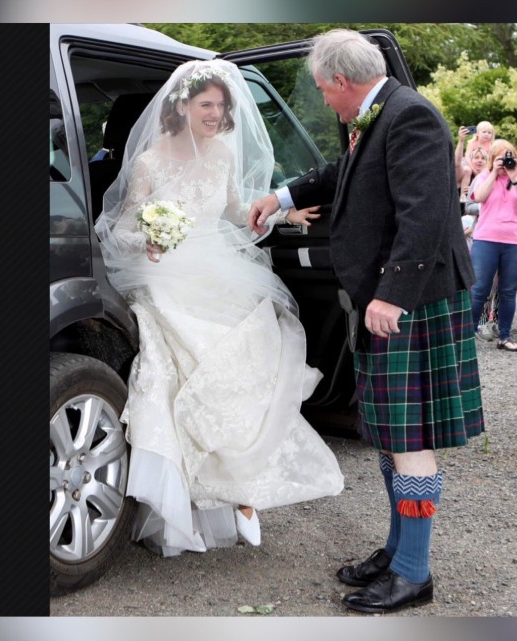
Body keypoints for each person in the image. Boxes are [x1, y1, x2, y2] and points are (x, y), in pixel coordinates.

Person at [249, 29, 485, 614]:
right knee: (386, 433)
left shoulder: (412, 117)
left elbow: (426, 216)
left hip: (415, 301)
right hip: (390, 298)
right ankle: (399, 548)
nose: (325, 101)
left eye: (324, 92)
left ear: (343, 82)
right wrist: (280, 197)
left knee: (410, 438)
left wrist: (394, 295)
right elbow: (343, 174)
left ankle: (413, 572)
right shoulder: (373, 116)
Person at [93, 59, 342, 557]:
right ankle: (198, 495)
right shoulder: (148, 162)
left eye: (221, 105)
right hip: (164, 273)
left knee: (251, 361)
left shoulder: (224, 154)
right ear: (181, 105)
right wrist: (150, 239)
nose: (215, 113)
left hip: (219, 267)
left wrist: (280, 210)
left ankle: (239, 486)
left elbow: (232, 209)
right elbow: (119, 227)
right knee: (190, 365)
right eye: (205, 104)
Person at [467, 139, 517, 351]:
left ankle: (504, 336)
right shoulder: (482, 177)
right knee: (479, 289)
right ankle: (466, 335)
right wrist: (493, 173)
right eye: (501, 156)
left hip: (513, 241)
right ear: (493, 158)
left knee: (508, 291)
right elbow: (479, 197)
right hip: (486, 239)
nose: (505, 160)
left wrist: (513, 175)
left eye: (509, 156)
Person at [455, 121, 494, 198]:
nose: (487, 134)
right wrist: (473, 170)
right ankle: (463, 194)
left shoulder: (491, 146)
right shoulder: (472, 143)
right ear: (477, 133)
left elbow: (490, 161)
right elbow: (467, 157)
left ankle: (478, 191)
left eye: (489, 133)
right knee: (467, 170)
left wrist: (483, 170)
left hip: (483, 166)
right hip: (470, 164)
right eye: (484, 132)